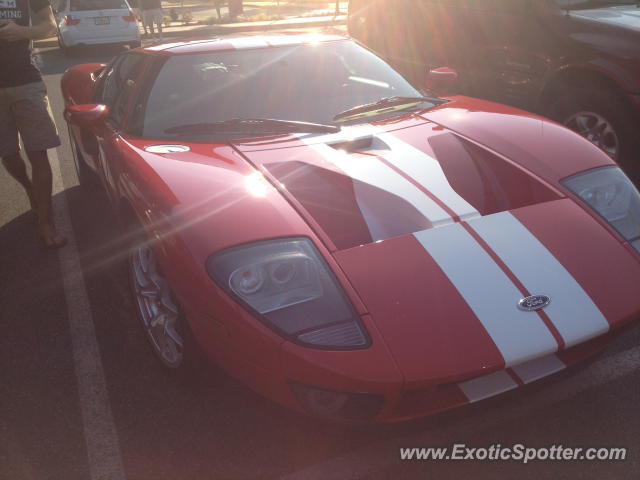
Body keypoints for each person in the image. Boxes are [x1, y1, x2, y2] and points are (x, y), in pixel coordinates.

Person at [0, 0, 67, 248]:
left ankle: (46, 223)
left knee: (38, 152)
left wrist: (20, 32)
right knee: (7, 153)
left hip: (26, 82)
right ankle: (30, 190)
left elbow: (49, 25)